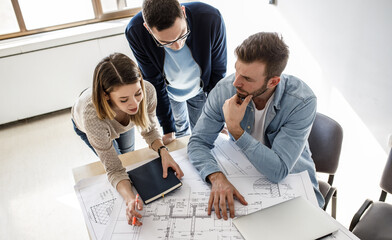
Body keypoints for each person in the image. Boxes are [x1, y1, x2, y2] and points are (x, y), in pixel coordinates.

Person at [187, 32, 324, 220]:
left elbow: (278, 171)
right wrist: (216, 177)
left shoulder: (302, 101)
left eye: (247, 79)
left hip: (293, 182)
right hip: (246, 176)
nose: (236, 82)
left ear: (273, 81)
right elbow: (197, 142)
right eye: (236, 71)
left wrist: (235, 129)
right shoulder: (225, 89)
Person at [71, 53, 184, 226]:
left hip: (119, 121)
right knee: (117, 158)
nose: (134, 104)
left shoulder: (148, 91)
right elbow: (114, 168)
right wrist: (130, 198)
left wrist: (163, 151)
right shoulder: (91, 115)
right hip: (89, 124)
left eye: (137, 93)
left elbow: (150, 129)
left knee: (127, 154)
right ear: (106, 95)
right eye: (124, 99)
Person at [125, 0, 227, 144]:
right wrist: (167, 127)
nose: (178, 46)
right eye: (166, 42)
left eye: (182, 34)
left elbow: (218, 71)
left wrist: (219, 116)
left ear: (183, 13)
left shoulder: (210, 17)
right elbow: (153, 81)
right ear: (148, 28)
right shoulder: (135, 32)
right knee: (179, 131)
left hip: (200, 87)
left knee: (202, 131)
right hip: (169, 92)